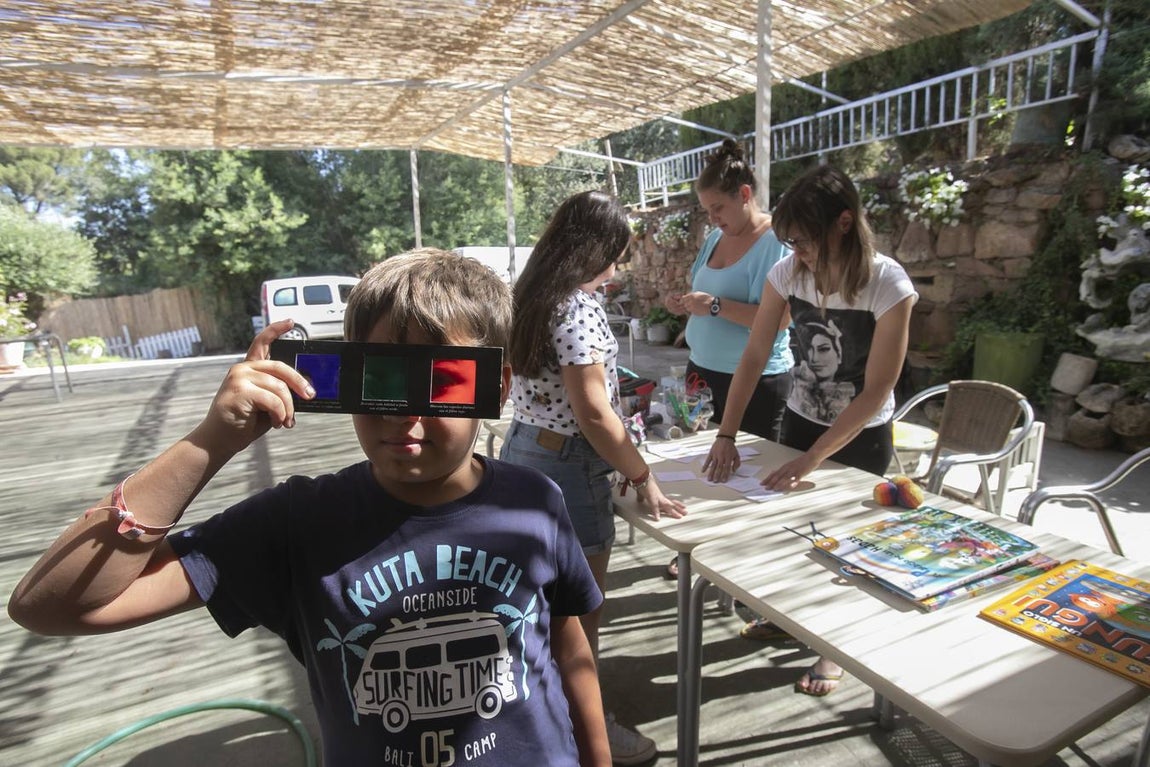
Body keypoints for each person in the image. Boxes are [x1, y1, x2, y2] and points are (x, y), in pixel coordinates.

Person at [9, 250, 611, 767]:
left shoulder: (536, 500)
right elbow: (52, 606)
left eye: (442, 382)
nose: (405, 413)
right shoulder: (296, 524)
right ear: (341, 380)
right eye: (377, 381)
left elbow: (568, 645)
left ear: (496, 388)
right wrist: (210, 440)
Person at [702, 164, 918, 697]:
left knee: (848, 545)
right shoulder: (789, 274)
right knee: (789, 535)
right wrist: (725, 434)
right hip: (799, 419)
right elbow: (754, 354)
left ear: (843, 223)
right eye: (789, 242)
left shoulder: (888, 283)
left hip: (861, 435)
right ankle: (788, 617)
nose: (796, 253)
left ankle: (833, 651)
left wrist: (813, 458)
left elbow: (876, 389)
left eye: (803, 241)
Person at [501, 189, 687, 765]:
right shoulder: (577, 307)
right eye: (617, 249)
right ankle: (590, 732)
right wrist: (640, 472)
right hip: (569, 463)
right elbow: (594, 413)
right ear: (596, 247)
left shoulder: (533, 294)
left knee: (534, 603)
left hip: (525, 449)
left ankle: (540, 714)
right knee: (580, 618)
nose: (620, 262)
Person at [661, 138, 793, 581]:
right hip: (704, 368)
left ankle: (744, 566)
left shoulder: (776, 244)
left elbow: (776, 320)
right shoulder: (717, 236)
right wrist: (687, 304)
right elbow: (705, 291)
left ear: (745, 195)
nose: (712, 219)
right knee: (702, 466)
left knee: (747, 478)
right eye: (706, 211)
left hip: (754, 379)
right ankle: (693, 546)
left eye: (717, 208)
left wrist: (713, 305)